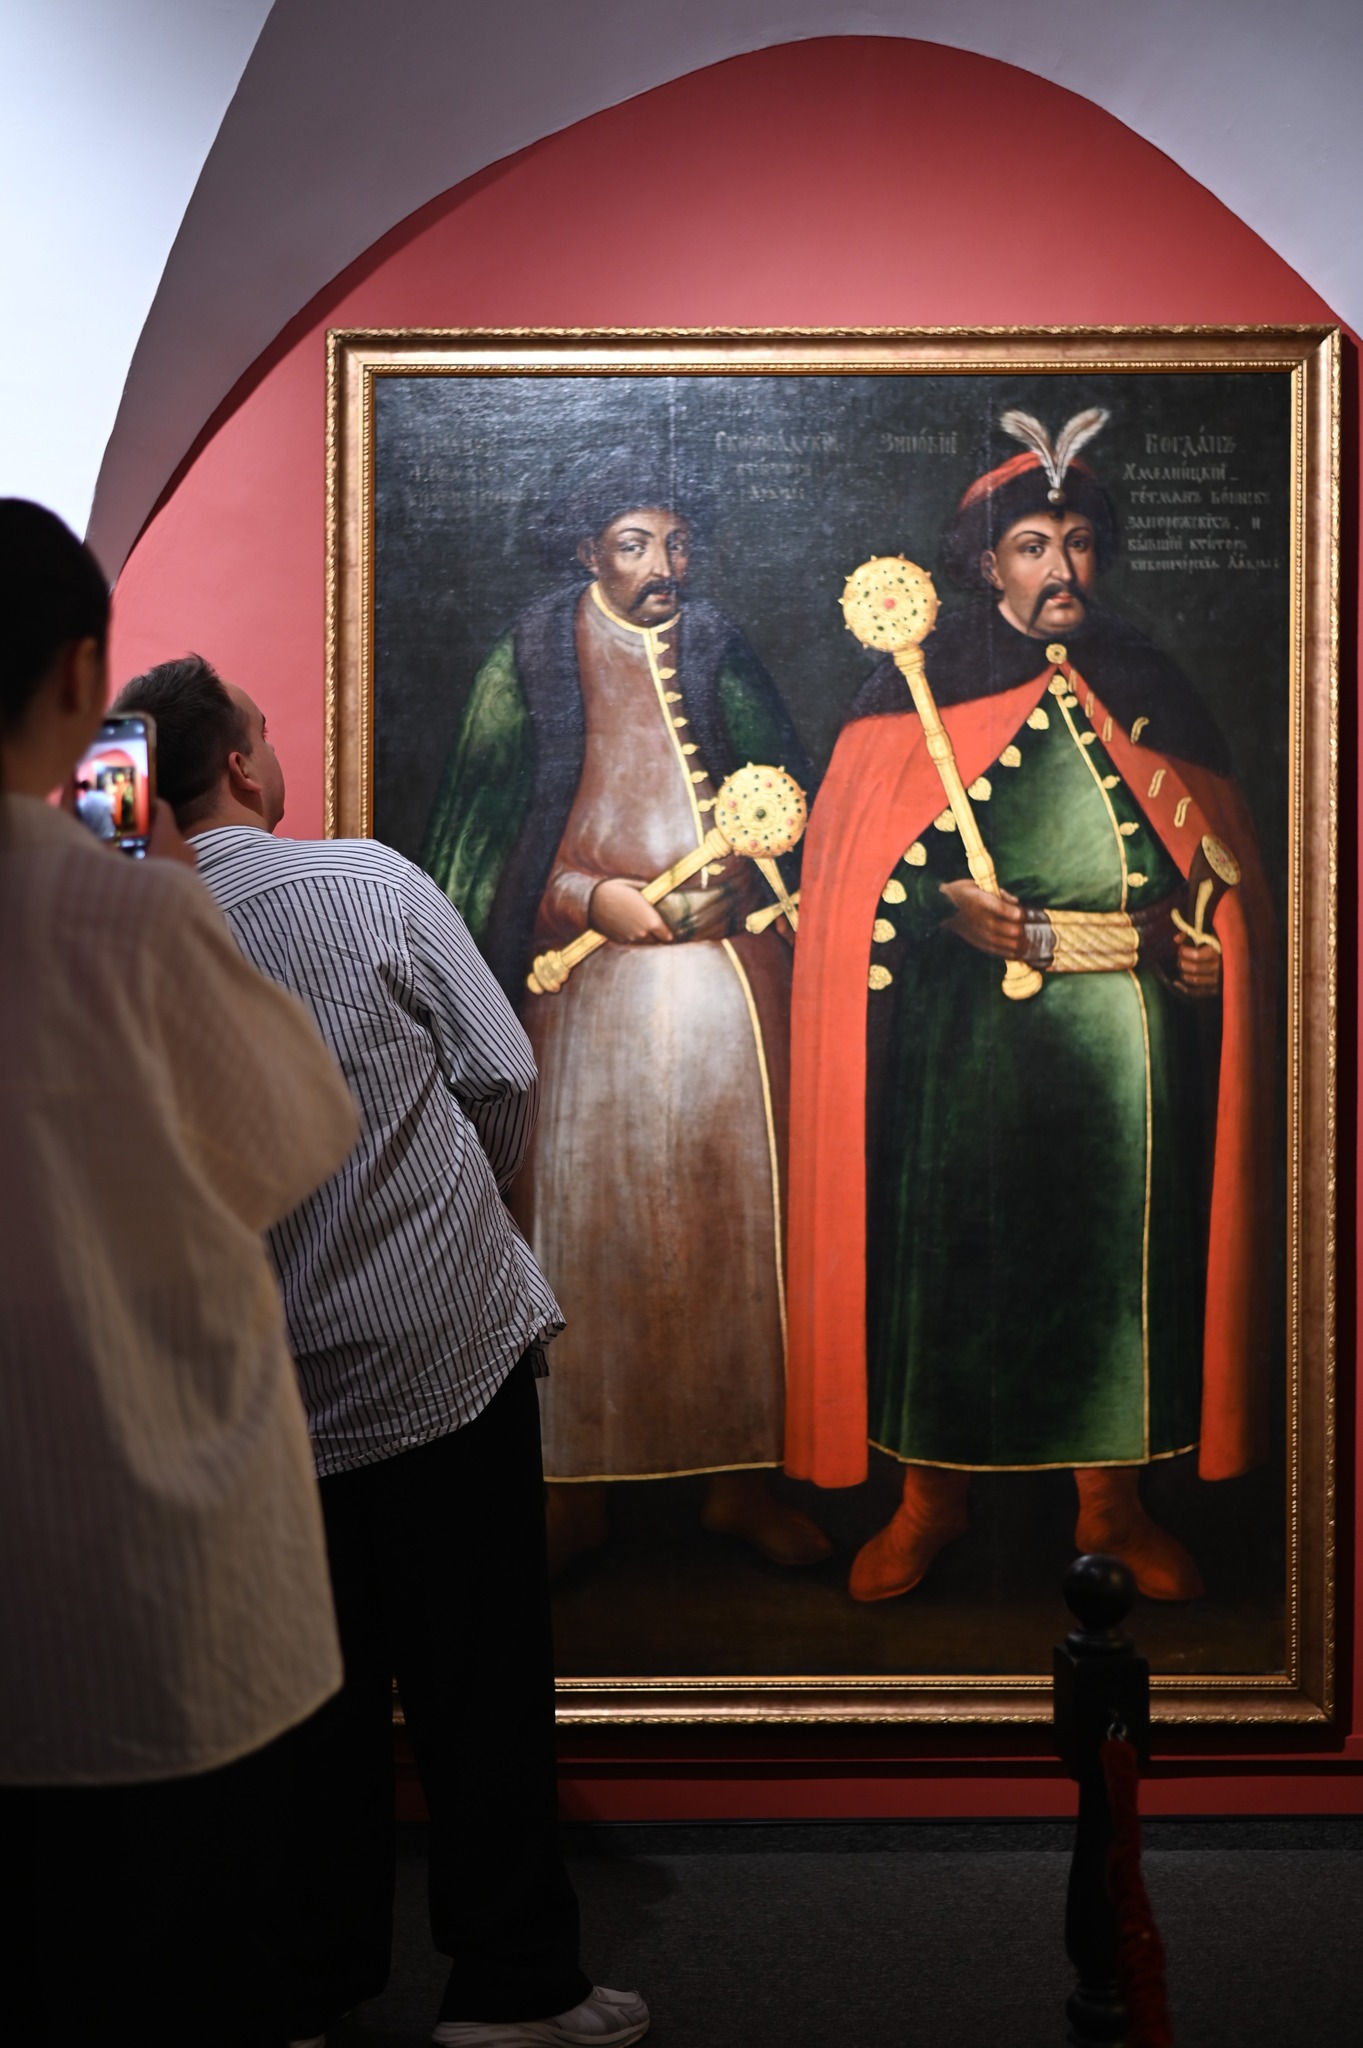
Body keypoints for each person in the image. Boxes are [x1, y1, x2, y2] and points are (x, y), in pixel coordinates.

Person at [112, 655, 648, 2048]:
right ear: (241, 764)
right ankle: (511, 1987)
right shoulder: (363, 886)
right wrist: (447, 1196)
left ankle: (302, 1991)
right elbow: (503, 1073)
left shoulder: (112, 941)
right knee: (480, 1684)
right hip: (438, 1359)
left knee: (305, 1711)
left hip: (255, 1402)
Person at [784, 413, 1275, 1603]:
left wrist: (1204, 949)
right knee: (960, 1267)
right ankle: (929, 1501)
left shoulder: (1148, 681)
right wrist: (940, 906)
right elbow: (852, 885)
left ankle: (1110, 1506)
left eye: (1077, 543)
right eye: (1032, 547)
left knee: (1114, 1274)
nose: (1061, 569)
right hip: (969, 1045)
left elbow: (1207, 870)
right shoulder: (914, 688)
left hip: (1127, 1043)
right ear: (986, 563)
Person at [0, 501, 361, 2047]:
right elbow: (291, 1138)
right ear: (83, 678)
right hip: (137, 1511)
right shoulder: (129, 912)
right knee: (158, 1943)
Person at [421, 447, 831, 1578]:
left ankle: (738, 1480)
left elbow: (789, 800)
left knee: (734, 1229)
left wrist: (750, 881)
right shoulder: (531, 653)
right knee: (588, 1235)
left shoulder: (717, 643)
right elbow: (483, 828)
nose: (663, 566)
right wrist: (582, 897)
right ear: (587, 551)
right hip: (584, 995)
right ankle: (572, 1483)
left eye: (676, 542)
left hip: (729, 993)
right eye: (636, 544)